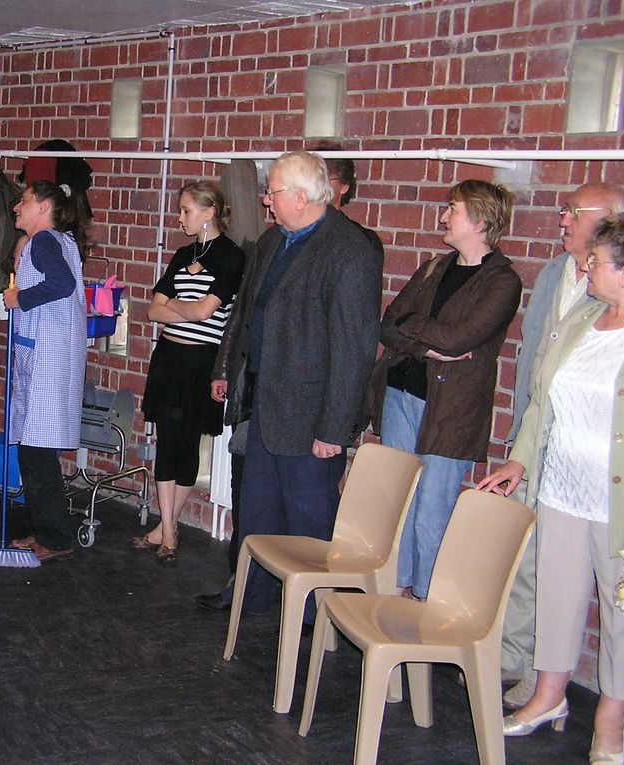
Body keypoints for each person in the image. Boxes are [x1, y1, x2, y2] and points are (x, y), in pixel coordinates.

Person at [196, 149, 383, 613]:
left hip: (311, 416)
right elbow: (246, 313)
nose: (266, 201)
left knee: (306, 523)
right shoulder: (273, 241)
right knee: (257, 513)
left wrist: (334, 430)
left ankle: (310, 612)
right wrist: (227, 368)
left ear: (301, 196)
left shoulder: (349, 250)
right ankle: (250, 594)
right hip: (264, 403)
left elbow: (354, 347)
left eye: (273, 192)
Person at [478, 214, 624, 764]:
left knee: (621, 612)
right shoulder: (581, 318)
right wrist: (520, 462)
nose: (585, 268)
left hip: (618, 500)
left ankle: (611, 718)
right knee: (556, 595)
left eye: (598, 262)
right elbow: (542, 400)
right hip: (561, 486)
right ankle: (549, 695)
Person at [365, 179, 521, 601]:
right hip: (401, 395)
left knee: (431, 514)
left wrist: (417, 332)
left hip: (452, 410)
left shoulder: (502, 282)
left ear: (481, 219)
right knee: (400, 505)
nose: (444, 217)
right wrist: (428, 340)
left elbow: (460, 338)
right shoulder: (435, 266)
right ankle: (390, 598)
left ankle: (424, 607)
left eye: (453, 209)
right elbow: (389, 324)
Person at [133, 181, 244, 563]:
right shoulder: (181, 254)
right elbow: (153, 310)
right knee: (167, 443)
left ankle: (168, 526)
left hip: (201, 361)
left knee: (188, 446)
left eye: (186, 210)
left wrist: (177, 307)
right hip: (170, 359)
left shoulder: (231, 256)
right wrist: (186, 306)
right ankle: (167, 528)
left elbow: (204, 313)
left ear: (209, 212)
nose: (180, 218)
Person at [4, 181, 88, 562]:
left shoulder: (43, 242)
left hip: (46, 363)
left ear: (42, 206)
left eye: (23, 201)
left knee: (36, 454)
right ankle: (46, 532)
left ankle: (54, 538)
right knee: (37, 453)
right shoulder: (64, 242)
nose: (16, 207)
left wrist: (19, 297)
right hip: (54, 358)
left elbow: (62, 284)